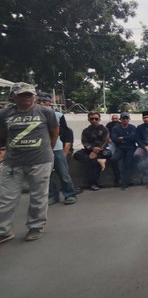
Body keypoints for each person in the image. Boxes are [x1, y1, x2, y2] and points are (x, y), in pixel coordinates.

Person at [0, 82, 59, 243]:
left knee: (38, 196)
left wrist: (47, 152)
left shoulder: (45, 112)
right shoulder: (5, 114)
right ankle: (3, 231)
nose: (26, 98)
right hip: (12, 162)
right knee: (5, 197)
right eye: (22, 95)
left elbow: (54, 133)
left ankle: (36, 226)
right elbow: (3, 135)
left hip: (40, 161)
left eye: (29, 95)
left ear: (34, 96)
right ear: (13, 96)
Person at [37, 92, 78, 205]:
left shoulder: (58, 115)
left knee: (63, 173)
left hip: (57, 148)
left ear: (49, 103)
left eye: (44, 101)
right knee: (47, 175)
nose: (41, 103)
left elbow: (65, 132)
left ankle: (69, 194)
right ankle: (53, 196)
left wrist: (67, 149)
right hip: (41, 149)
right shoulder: (34, 115)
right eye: (39, 101)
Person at [73, 112, 111, 191]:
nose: (94, 120)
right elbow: (84, 142)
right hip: (89, 151)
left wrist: (96, 151)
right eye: (92, 119)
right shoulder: (86, 131)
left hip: (102, 151)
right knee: (77, 155)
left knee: (100, 158)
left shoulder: (104, 129)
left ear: (99, 119)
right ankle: (98, 160)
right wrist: (92, 149)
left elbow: (105, 141)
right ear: (88, 120)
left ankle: (93, 183)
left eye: (96, 119)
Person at [110, 112, 137, 190]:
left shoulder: (133, 127)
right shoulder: (116, 128)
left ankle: (125, 183)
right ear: (120, 119)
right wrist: (126, 139)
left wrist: (122, 138)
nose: (125, 120)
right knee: (113, 159)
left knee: (128, 163)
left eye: (126, 118)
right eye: (123, 118)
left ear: (129, 119)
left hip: (131, 148)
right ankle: (117, 177)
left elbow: (133, 137)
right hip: (120, 148)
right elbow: (114, 139)